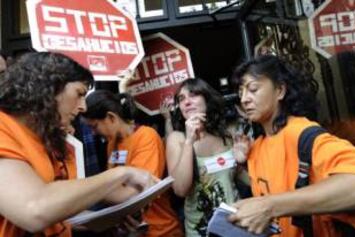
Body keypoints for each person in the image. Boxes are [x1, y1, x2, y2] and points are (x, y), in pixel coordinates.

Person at [228, 55, 355, 236]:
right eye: (241, 91)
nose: (244, 99)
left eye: (253, 89)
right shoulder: (258, 145)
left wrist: (270, 206)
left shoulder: (302, 136)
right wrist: (242, 164)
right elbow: (272, 184)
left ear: (280, 91)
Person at [0, 52, 155, 237]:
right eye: (79, 94)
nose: (84, 107)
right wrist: (121, 173)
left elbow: (58, 213)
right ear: (50, 88)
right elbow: (34, 209)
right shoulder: (3, 128)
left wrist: (106, 221)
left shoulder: (45, 139)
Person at [82, 90, 183, 237]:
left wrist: (91, 192)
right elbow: (114, 186)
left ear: (111, 117)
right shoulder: (111, 143)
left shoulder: (146, 137)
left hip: (160, 230)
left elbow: (136, 195)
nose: (93, 133)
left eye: (94, 126)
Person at [166, 78, 248, 237]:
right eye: (182, 99)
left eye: (193, 95)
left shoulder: (225, 135)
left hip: (235, 225)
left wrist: (242, 163)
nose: (187, 102)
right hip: (202, 231)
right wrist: (189, 141)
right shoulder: (177, 138)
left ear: (206, 99)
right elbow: (181, 189)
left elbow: (239, 178)